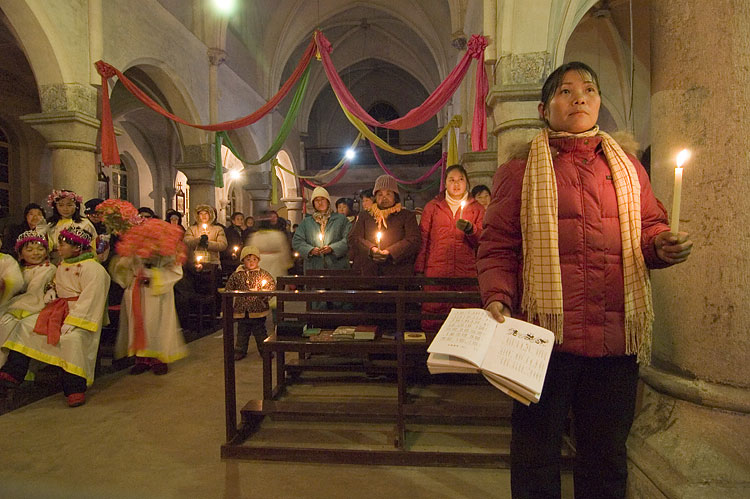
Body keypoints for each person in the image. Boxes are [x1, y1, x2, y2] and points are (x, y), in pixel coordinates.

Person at [476, 61, 693, 498]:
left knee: (606, 456)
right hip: (543, 339)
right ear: (544, 108)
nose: (579, 97)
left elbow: (647, 227)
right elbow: (499, 243)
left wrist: (660, 245)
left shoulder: (627, 168)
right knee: (536, 456)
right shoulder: (519, 171)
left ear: (598, 102)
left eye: (589, 89)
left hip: (613, 340)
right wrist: (497, 295)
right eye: (565, 91)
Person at [0, 227, 110, 407]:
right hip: (58, 309)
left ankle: (74, 388)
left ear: (76, 247)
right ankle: (14, 372)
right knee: (25, 325)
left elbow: (92, 298)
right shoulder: (64, 263)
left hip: (80, 315)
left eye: (63, 243)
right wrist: (52, 289)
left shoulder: (93, 269)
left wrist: (75, 320)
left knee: (72, 341)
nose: (58, 247)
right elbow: (57, 284)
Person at [414, 164, 485, 331]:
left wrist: (471, 230)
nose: (456, 184)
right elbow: (423, 240)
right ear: (445, 183)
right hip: (436, 272)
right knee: (435, 317)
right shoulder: (433, 207)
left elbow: (484, 240)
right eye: (451, 180)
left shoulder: (476, 209)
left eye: (460, 179)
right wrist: (419, 270)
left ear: (467, 182)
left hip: (466, 272)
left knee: (466, 321)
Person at [112, 220, 187, 376]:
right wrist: (128, 260)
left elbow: (175, 271)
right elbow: (123, 267)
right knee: (137, 323)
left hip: (156, 292)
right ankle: (141, 358)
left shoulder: (170, 251)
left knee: (156, 325)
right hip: (137, 290)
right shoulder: (134, 246)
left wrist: (153, 276)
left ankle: (158, 358)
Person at [0, 231, 56, 367]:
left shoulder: (47, 269)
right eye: (29, 250)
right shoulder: (17, 268)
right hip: (16, 306)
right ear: (20, 254)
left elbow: (34, 294)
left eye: (40, 249)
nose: (35, 253)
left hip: (33, 308)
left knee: (6, 324)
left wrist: (11, 307)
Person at [348, 174, 420, 276]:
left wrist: (390, 252)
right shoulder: (365, 215)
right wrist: (371, 249)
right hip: (369, 271)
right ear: (375, 197)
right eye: (380, 194)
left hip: (397, 271)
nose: (384, 198)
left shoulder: (406, 215)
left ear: (395, 196)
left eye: (388, 194)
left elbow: (414, 240)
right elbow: (354, 237)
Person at [225, 245, 276, 361]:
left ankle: (265, 351)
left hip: (258, 309)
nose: (251, 262)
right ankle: (240, 351)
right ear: (243, 260)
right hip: (242, 310)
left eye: (254, 259)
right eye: (248, 259)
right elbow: (229, 287)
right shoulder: (237, 275)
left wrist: (265, 294)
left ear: (258, 260)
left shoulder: (262, 274)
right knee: (242, 332)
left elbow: (271, 285)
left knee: (260, 332)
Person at [293, 187, 351, 273]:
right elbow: (297, 241)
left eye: (322, 199)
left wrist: (332, 248)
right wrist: (310, 250)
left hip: (337, 266)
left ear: (328, 201)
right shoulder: (306, 222)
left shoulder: (341, 220)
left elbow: (349, 239)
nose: (320, 203)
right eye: (316, 200)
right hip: (314, 267)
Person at [41, 189, 97, 263]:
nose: (65, 209)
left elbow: (93, 245)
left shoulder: (84, 224)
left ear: (76, 206)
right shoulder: (50, 224)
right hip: (54, 261)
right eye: (61, 205)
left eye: (69, 205)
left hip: (79, 261)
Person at [183, 204, 227, 268]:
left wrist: (208, 244)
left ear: (210, 215)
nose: (204, 216)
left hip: (213, 262)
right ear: (198, 215)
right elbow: (187, 242)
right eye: (201, 213)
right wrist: (198, 240)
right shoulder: (192, 229)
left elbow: (223, 245)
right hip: (195, 262)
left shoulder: (218, 229)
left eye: (206, 213)